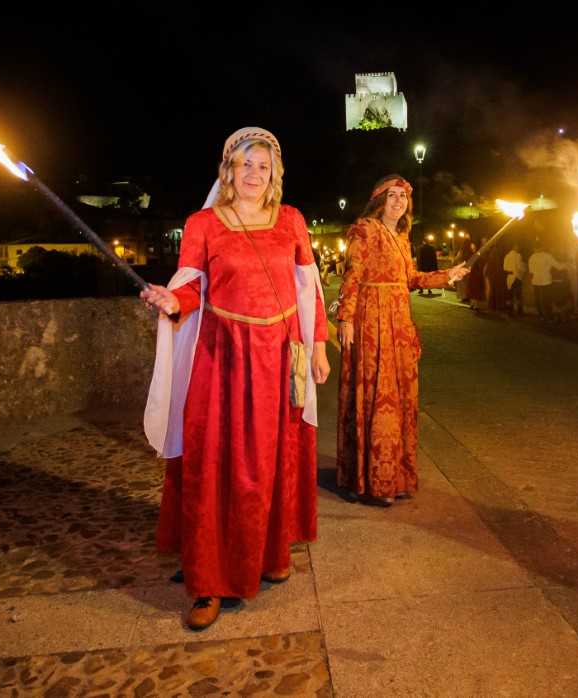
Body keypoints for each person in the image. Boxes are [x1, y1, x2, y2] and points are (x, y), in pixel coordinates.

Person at [139, 127, 330, 631]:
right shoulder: (203, 224)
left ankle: (265, 555)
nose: (254, 174)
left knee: (271, 461)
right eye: (245, 164)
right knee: (217, 465)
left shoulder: (291, 220)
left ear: (274, 175)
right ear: (229, 170)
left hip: (279, 358)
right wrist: (171, 301)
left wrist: (320, 347)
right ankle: (209, 580)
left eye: (263, 167)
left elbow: (309, 287)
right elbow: (191, 290)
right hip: (222, 359)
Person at [336, 175, 468, 505]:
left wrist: (447, 275)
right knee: (375, 395)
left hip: (399, 325)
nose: (399, 202)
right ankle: (370, 480)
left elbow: (410, 279)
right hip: (372, 321)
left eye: (404, 197)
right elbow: (352, 274)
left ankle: (396, 476)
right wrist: (346, 318)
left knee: (399, 399)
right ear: (379, 200)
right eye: (392, 195)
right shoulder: (365, 229)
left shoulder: (402, 236)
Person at [528, 239, 566, 321]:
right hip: (545, 280)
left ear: (534, 248)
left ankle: (541, 315)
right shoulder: (547, 255)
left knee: (537, 299)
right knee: (546, 298)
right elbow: (558, 266)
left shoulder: (532, 257)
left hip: (535, 280)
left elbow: (530, 272)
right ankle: (548, 316)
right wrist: (567, 264)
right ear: (542, 247)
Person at [503, 240, 527, 316]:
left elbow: (504, 267)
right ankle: (519, 311)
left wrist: (510, 271)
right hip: (517, 278)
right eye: (518, 247)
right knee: (518, 295)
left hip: (509, 278)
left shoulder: (507, 256)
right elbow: (520, 266)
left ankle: (510, 310)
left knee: (510, 295)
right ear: (515, 247)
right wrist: (525, 267)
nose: (519, 248)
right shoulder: (518, 255)